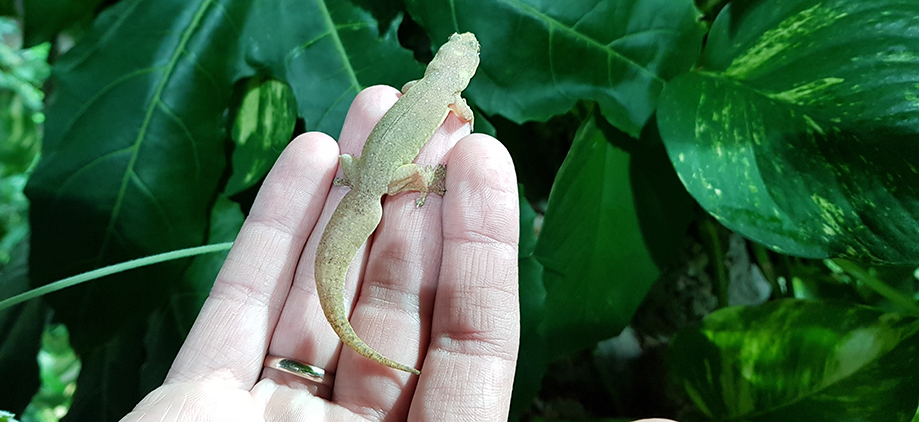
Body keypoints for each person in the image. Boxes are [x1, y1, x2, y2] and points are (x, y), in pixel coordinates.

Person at [121, 86, 675, 422]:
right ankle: (411, 199)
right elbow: (464, 120)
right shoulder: (453, 102)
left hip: (363, 176)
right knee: (370, 219)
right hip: (378, 182)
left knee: (347, 230)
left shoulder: (424, 87)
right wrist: (434, 171)